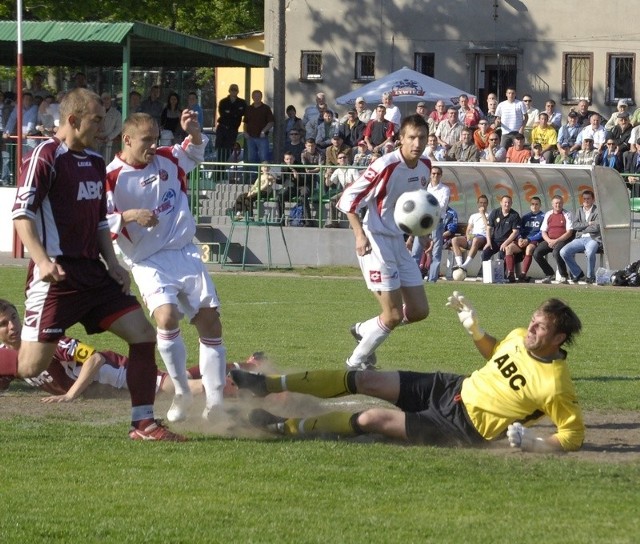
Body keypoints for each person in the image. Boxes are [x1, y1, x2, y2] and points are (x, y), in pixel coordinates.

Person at [0, 88, 184, 441]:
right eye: (97, 119)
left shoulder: (96, 163)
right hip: (56, 278)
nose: (103, 127)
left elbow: (101, 222)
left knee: (144, 335)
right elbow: (21, 215)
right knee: (30, 366)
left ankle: (144, 424)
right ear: (72, 120)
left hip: (93, 274)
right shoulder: (44, 156)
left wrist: (113, 264)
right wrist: (42, 261)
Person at [232, 293, 585, 453]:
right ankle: (264, 384)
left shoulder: (555, 385)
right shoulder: (518, 337)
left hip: (461, 428)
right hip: (449, 388)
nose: (530, 329)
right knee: (365, 378)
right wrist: (475, 329)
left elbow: (572, 434)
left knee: (370, 418)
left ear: (558, 338)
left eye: (540, 328)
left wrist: (537, 443)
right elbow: (497, 354)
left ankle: (280, 426)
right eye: (532, 321)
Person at [106, 110, 226, 424]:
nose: (152, 146)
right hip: (147, 261)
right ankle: (183, 392)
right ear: (127, 139)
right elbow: (99, 221)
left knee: (210, 322)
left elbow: (194, 152)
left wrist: (195, 132)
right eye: (146, 140)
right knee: (166, 316)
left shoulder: (166, 159)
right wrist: (131, 215)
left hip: (184, 253)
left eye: (155, 139)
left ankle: (215, 404)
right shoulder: (111, 177)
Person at [336, 114, 430, 370]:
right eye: (411, 137)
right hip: (375, 242)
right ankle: (354, 364)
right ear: (400, 139)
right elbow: (348, 199)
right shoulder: (385, 165)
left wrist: (424, 231)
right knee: (393, 315)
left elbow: (416, 206)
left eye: (422, 137)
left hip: (398, 242)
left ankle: (364, 329)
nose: (417, 143)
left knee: (419, 310)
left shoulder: (425, 166)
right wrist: (358, 234)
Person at [409, 165, 451, 282]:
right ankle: (413, 277)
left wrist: (427, 206)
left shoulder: (445, 189)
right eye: (433, 173)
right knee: (416, 249)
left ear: (441, 175)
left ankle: (432, 279)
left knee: (436, 251)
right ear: (430, 175)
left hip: (437, 221)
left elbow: (442, 205)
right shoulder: (425, 188)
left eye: (437, 174)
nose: (435, 176)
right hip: (423, 221)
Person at [559, 190, 601, 284]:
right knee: (563, 252)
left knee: (590, 252)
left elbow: (597, 227)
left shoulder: (598, 210)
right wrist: (589, 223)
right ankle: (578, 273)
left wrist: (583, 228)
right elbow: (575, 225)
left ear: (593, 199)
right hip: (580, 238)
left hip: (593, 238)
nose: (586, 200)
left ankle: (590, 276)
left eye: (588, 199)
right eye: (584, 198)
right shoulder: (579, 210)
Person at [533, 194, 574, 284]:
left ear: (563, 204)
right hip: (550, 239)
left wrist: (556, 241)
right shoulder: (548, 214)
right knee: (536, 253)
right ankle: (549, 273)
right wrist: (549, 241)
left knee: (556, 252)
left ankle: (564, 275)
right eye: (556, 203)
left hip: (563, 240)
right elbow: (543, 231)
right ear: (552, 204)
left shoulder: (567, 214)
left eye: (560, 203)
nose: (558, 205)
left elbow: (569, 232)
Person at [504, 196, 544, 282]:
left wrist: (529, 240)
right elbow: (519, 230)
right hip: (523, 240)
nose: (534, 206)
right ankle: (511, 274)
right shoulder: (525, 217)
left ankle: (523, 274)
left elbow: (542, 233)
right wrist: (519, 238)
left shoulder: (543, 216)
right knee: (508, 248)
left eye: (536, 204)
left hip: (534, 240)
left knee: (529, 248)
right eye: (532, 204)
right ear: (530, 205)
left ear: (540, 205)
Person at [481, 195, 521, 269]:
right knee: (485, 253)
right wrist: (488, 242)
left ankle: (503, 275)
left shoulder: (514, 215)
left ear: (511, 203)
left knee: (502, 254)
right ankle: (483, 273)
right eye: (505, 202)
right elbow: (488, 228)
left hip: (507, 242)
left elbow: (515, 232)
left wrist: (505, 243)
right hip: (495, 241)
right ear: (501, 203)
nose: (507, 204)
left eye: (509, 202)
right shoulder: (495, 212)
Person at [451, 194, 490, 270]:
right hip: (473, 235)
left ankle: (465, 265)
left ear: (487, 204)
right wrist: (468, 235)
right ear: (478, 203)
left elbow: (487, 227)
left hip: (483, 236)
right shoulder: (473, 216)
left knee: (476, 239)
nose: (482, 204)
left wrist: (482, 214)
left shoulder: (489, 215)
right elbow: (469, 228)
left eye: (484, 203)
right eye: (481, 202)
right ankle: (459, 264)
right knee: (454, 240)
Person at [325, 153, 359, 228]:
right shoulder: (337, 171)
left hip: (354, 192)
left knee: (351, 201)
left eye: (344, 157)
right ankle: (334, 223)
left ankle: (353, 224)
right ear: (337, 160)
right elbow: (328, 184)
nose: (342, 159)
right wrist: (327, 177)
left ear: (347, 159)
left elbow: (358, 182)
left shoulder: (352, 169)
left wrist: (351, 185)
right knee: (333, 200)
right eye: (340, 158)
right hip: (345, 192)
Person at [215, 84, 246, 159]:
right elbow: (223, 114)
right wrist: (236, 113)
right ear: (229, 91)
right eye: (232, 89)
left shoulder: (242, 102)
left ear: (238, 91)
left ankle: (222, 168)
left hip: (233, 130)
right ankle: (218, 169)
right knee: (219, 149)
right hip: (222, 128)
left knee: (229, 150)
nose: (233, 91)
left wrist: (229, 112)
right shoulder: (223, 102)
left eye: (235, 89)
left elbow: (243, 113)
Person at [243, 90, 274, 165]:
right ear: (252, 97)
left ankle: (264, 175)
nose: (257, 98)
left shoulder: (266, 108)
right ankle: (253, 176)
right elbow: (245, 123)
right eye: (255, 96)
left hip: (262, 138)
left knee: (263, 158)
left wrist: (264, 131)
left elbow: (271, 122)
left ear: (261, 97)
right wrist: (245, 132)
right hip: (250, 137)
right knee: (251, 158)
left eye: (259, 96)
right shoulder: (248, 109)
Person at [95, 92, 122, 162]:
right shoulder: (94, 111)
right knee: (95, 161)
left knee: (106, 162)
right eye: (104, 99)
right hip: (95, 140)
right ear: (100, 100)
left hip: (108, 141)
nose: (106, 101)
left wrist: (109, 137)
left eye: (108, 99)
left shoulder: (116, 113)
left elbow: (119, 127)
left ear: (110, 100)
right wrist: (95, 135)